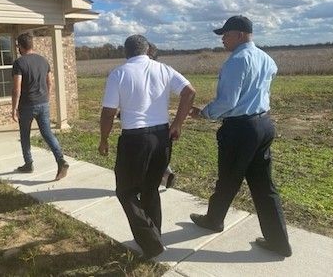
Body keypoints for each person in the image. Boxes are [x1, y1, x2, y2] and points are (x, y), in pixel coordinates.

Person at [189, 15, 292, 257]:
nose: (223, 39)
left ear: (240, 35)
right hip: (264, 124)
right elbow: (267, 81)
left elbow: (228, 101)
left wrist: (204, 113)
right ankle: (279, 242)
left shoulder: (236, 61)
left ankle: (214, 220)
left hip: (240, 129)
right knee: (264, 184)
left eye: (226, 34)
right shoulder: (267, 58)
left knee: (228, 178)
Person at [98, 34, 196, 259]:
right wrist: (177, 124)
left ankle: (151, 243)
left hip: (134, 140)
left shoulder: (119, 74)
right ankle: (155, 236)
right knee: (151, 190)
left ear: (126, 52)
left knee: (125, 191)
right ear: (147, 50)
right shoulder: (163, 69)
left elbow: (108, 112)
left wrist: (104, 139)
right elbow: (189, 91)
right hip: (162, 137)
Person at [11, 32, 69, 180]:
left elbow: (17, 88)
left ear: (21, 47)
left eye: (18, 46)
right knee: (47, 133)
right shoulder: (43, 61)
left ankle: (28, 164)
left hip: (26, 106)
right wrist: (46, 98)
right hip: (43, 103)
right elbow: (49, 82)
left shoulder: (19, 63)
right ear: (32, 45)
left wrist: (14, 108)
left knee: (25, 135)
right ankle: (61, 160)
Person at [147, 42, 176, 189]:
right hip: (161, 122)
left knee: (143, 157)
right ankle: (166, 173)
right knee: (158, 153)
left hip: (141, 124)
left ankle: (144, 185)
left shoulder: (135, 71)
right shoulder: (163, 71)